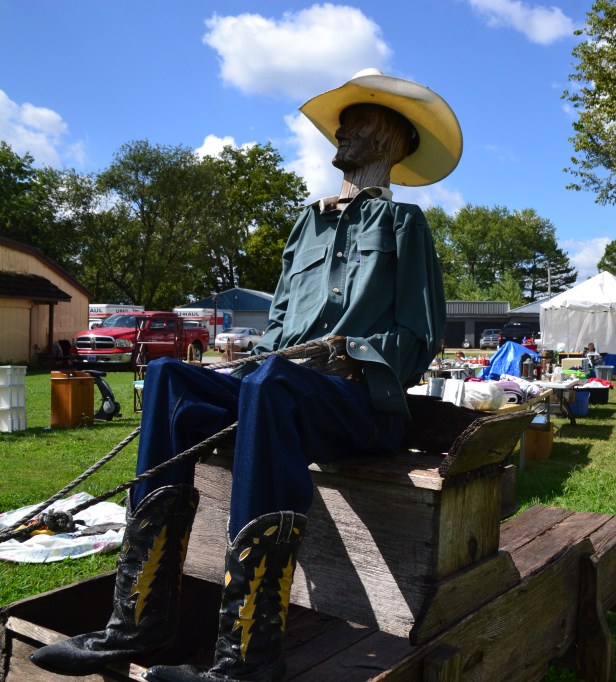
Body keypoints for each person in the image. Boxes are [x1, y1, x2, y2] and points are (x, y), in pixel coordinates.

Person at [32, 69, 461, 681]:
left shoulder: (404, 226)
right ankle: (139, 620)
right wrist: (261, 355)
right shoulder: (307, 224)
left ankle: (248, 659)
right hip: (280, 392)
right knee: (170, 379)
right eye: (342, 123)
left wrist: (348, 352)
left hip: (359, 406)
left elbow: (417, 341)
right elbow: (279, 327)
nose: (342, 131)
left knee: (271, 383)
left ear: (389, 140)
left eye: (358, 123)